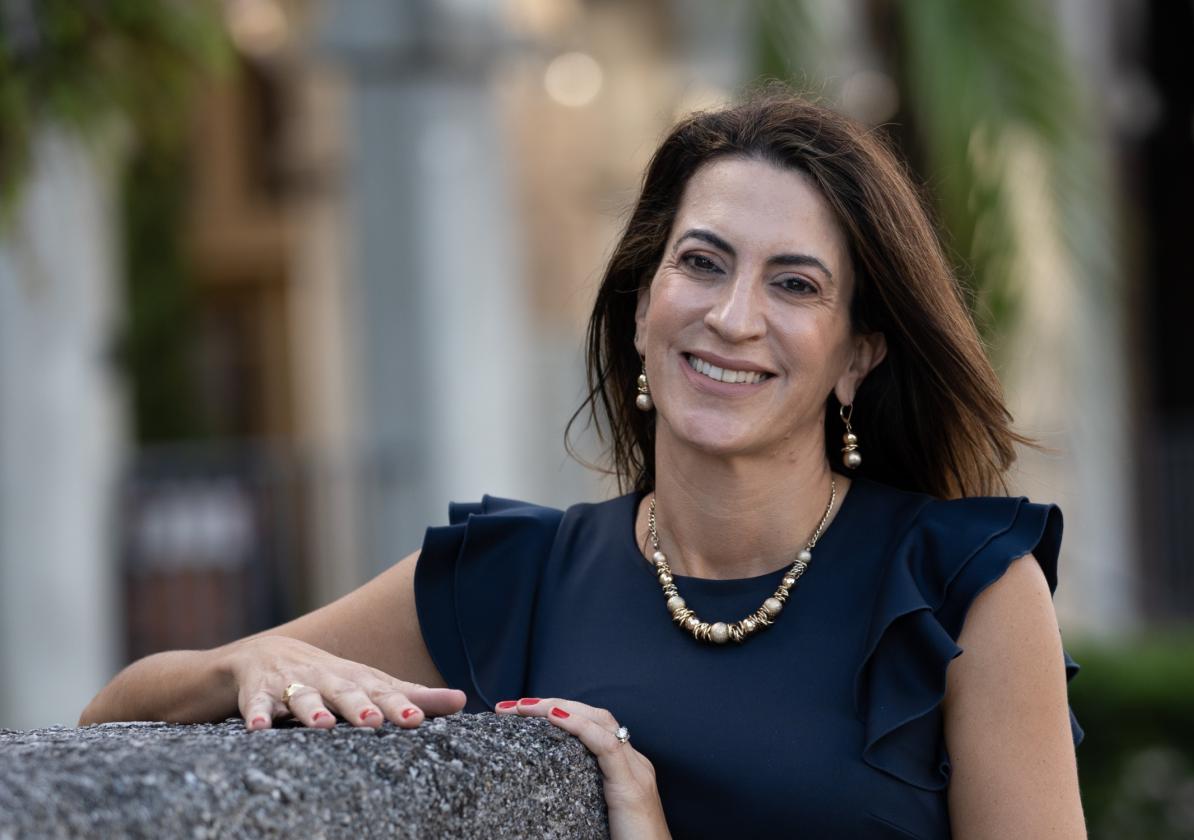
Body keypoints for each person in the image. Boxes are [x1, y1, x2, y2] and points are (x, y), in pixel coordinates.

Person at [83, 92, 1087, 839]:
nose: (732, 318)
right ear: (643, 302)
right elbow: (110, 721)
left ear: (856, 352)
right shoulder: (513, 578)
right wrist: (244, 661)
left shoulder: (961, 588)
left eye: (793, 283)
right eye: (700, 262)